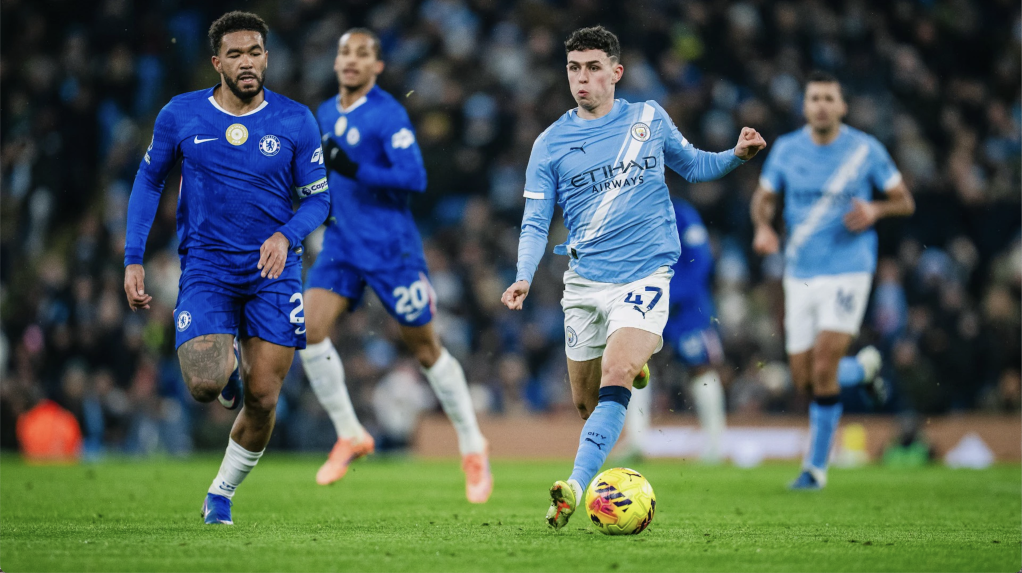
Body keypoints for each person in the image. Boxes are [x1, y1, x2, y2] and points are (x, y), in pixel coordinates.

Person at [500, 26, 765, 529]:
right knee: (587, 403)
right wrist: (523, 276)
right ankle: (635, 361)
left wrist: (736, 156)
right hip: (585, 283)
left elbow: (695, 167)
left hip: (645, 273)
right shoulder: (549, 143)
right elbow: (534, 222)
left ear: (616, 72)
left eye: (593, 68)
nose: (582, 78)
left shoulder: (648, 118)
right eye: (574, 68)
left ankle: (574, 487)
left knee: (616, 374)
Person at [123, 11, 330, 524]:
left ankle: (221, 492)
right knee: (204, 385)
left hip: (272, 271)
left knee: (263, 398)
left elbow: (318, 200)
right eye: (235, 54)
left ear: (267, 57)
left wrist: (285, 235)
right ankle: (228, 369)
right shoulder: (181, 114)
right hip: (207, 267)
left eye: (254, 52)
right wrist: (133, 258)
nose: (247, 62)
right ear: (217, 62)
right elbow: (148, 181)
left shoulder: (296, 120)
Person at [299, 29, 492, 503]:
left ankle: (473, 445)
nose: (351, 60)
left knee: (425, 349)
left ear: (377, 66)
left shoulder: (388, 114)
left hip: (391, 248)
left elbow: (414, 177)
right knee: (307, 329)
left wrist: (354, 168)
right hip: (341, 243)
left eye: (362, 54)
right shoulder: (324, 112)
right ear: (336, 61)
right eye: (345, 52)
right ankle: (350, 433)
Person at [750, 71, 914, 490]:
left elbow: (904, 201)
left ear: (842, 106)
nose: (821, 106)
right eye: (814, 98)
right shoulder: (787, 150)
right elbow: (763, 199)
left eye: (829, 98)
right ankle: (862, 370)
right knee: (804, 379)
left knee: (823, 365)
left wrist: (876, 210)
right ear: (805, 107)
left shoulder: (865, 150)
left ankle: (815, 469)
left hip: (849, 269)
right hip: (799, 273)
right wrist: (763, 228)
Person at [625, 197, 727, 463]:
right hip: (648, 306)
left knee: (700, 368)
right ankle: (636, 442)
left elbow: (700, 260)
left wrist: (672, 294)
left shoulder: (682, 214)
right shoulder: (631, 214)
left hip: (686, 310)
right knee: (635, 368)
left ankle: (715, 445)